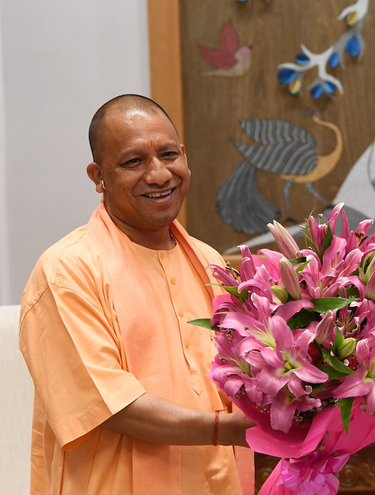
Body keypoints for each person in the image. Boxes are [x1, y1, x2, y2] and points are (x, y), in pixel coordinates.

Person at [19, 94, 254, 495]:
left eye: (168, 154)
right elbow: (110, 403)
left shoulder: (210, 261)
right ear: (98, 175)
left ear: (184, 156)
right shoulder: (67, 270)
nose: (160, 175)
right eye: (134, 162)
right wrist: (225, 429)